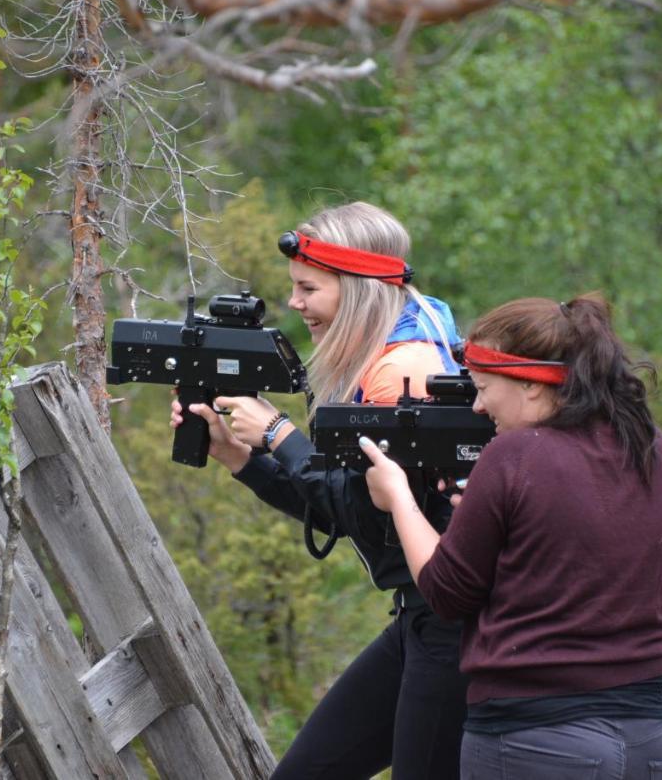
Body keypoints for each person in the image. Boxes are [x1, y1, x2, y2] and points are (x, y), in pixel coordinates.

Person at [170, 201, 470, 779]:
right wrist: (241, 458)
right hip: (420, 621)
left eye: (308, 288)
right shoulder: (391, 351)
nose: (294, 303)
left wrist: (279, 435)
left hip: (451, 629)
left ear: (357, 289)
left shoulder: (403, 371)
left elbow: (370, 512)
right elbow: (342, 509)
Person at [361, 294, 662, 780]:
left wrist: (399, 497)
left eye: (485, 386)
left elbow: (448, 593)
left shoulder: (513, 455)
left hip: (534, 743)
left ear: (532, 386)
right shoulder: (652, 448)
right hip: (646, 738)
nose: (477, 404)